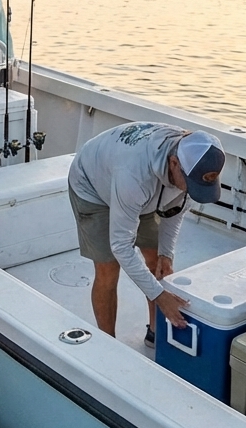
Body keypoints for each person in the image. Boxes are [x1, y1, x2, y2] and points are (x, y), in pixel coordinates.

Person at [67, 122, 226, 344]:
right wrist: (160, 296)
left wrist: (166, 253)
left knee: (157, 263)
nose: (191, 190)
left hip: (145, 191)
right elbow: (121, 246)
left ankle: (155, 332)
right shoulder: (134, 175)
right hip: (92, 185)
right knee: (108, 268)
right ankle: (108, 344)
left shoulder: (192, 164)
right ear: (174, 163)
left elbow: (175, 210)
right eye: (189, 184)